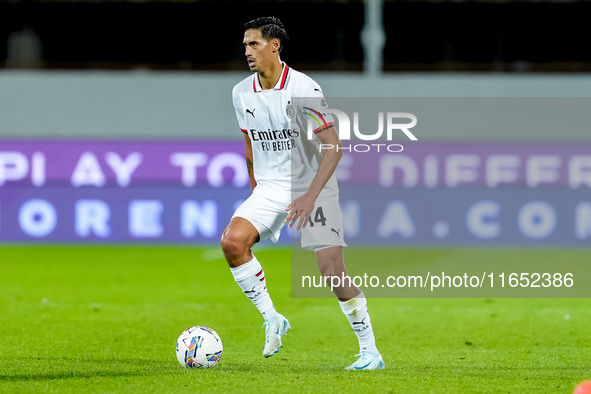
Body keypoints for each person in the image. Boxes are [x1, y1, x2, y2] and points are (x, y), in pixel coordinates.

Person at [220, 16, 384, 371]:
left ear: (274, 45)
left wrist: (310, 196)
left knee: (331, 269)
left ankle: (370, 350)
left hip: (313, 186)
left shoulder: (304, 89)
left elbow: (334, 147)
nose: (247, 51)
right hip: (269, 188)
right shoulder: (240, 93)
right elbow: (249, 143)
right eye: (245, 44)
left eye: (254, 44)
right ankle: (272, 319)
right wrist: (254, 190)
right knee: (233, 243)